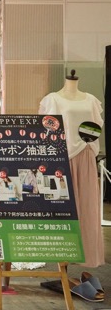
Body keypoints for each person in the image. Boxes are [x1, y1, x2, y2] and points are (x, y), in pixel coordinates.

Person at [39, 70, 104, 267]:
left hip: (86, 155)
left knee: (87, 206)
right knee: (63, 206)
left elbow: (96, 126)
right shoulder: (53, 100)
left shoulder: (91, 100)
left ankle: (85, 255)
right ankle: (61, 256)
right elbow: (47, 131)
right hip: (62, 157)